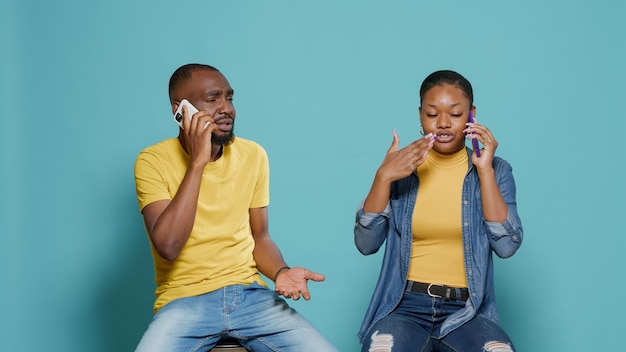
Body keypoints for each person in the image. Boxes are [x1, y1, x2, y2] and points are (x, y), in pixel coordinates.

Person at [133, 63, 337, 352]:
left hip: (250, 297)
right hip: (184, 301)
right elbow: (168, 245)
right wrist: (198, 162)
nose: (226, 108)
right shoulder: (152, 161)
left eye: (229, 97)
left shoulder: (253, 155)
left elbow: (260, 237)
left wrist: (281, 272)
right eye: (212, 99)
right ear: (180, 110)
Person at [354, 70, 523, 352]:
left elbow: (506, 246)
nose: (443, 124)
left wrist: (484, 172)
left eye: (455, 114)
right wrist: (383, 177)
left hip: (467, 311)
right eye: (433, 114)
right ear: (420, 115)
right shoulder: (402, 168)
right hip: (404, 307)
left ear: (472, 114)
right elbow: (366, 244)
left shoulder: (497, 170)